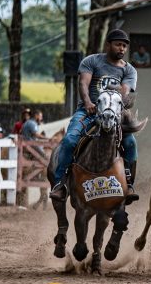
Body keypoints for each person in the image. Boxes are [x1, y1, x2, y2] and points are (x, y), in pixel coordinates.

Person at [50, 29, 139, 204]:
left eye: (124, 46)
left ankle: (128, 184)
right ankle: (60, 184)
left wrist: (116, 104)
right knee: (69, 140)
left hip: (114, 114)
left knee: (130, 143)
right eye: (118, 44)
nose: (121, 48)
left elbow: (125, 91)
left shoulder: (129, 70)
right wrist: (88, 102)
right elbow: (83, 83)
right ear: (108, 44)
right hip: (88, 111)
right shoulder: (91, 61)